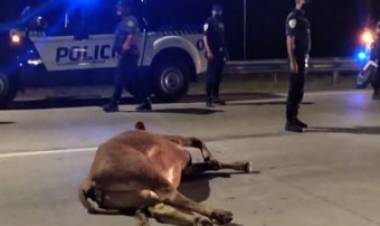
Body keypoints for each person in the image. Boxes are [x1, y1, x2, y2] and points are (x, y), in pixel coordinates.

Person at [103, 0, 152, 112]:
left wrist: (125, 47)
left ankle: (113, 103)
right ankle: (145, 101)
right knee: (131, 82)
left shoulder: (130, 20)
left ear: (127, 8)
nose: (117, 7)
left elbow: (131, 35)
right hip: (126, 54)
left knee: (119, 78)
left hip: (128, 54)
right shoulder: (123, 21)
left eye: (120, 6)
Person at [285, 0, 311, 132]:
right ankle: (289, 122)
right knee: (293, 90)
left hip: (302, 57)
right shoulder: (293, 17)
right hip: (296, 58)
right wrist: (292, 60)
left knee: (299, 90)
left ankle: (295, 117)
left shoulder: (303, 18)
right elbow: (290, 40)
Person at [203, 3, 228, 108]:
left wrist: (225, 53)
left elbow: (223, 39)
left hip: (220, 52)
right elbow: (204, 37)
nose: (218, 12)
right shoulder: (208, 21)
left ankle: (215, 97)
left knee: (218, 76)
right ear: (212, 11)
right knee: (211, 76)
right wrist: (208, 51)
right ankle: (208, 98)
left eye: (219, 10)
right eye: (216, 10)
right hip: (212, 52)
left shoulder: (221, 23)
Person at [371, 21, 380, 100]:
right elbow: (373, 51)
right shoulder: (376, 42)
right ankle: (376, 92)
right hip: (378, 63)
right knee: (375, 79)